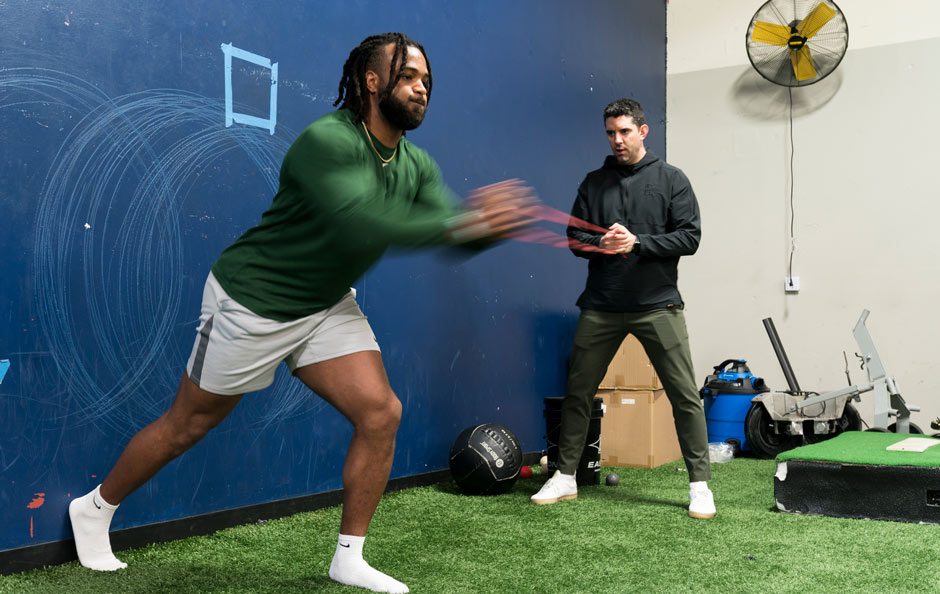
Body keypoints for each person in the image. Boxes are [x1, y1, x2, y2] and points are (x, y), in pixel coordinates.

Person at [68, 32, 536, 594]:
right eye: (408, 77)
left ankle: (349, 557)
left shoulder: (415, 164)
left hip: (324, 302)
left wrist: (487, 228)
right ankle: (94, 509)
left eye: (427, 83)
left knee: (380, 412)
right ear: (371, 80)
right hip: (253, 300)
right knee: (187, 424)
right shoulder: (327, 142)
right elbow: (363, 221)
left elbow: (450, 233)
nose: (420, 89)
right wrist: (466, 222)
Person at [530, 98, 714, 519]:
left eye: (625, 132)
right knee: (577, 392)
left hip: (658, 305)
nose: (617, 140)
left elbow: (690, 238)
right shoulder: (594, 183)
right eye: (611, 133)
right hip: (601, 306)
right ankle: (565, 476)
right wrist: (603, 244)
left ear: (643, 131)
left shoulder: (672, 180)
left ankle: (699, 485)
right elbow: (575, 238)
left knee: (685, 395)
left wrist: (638, 242)